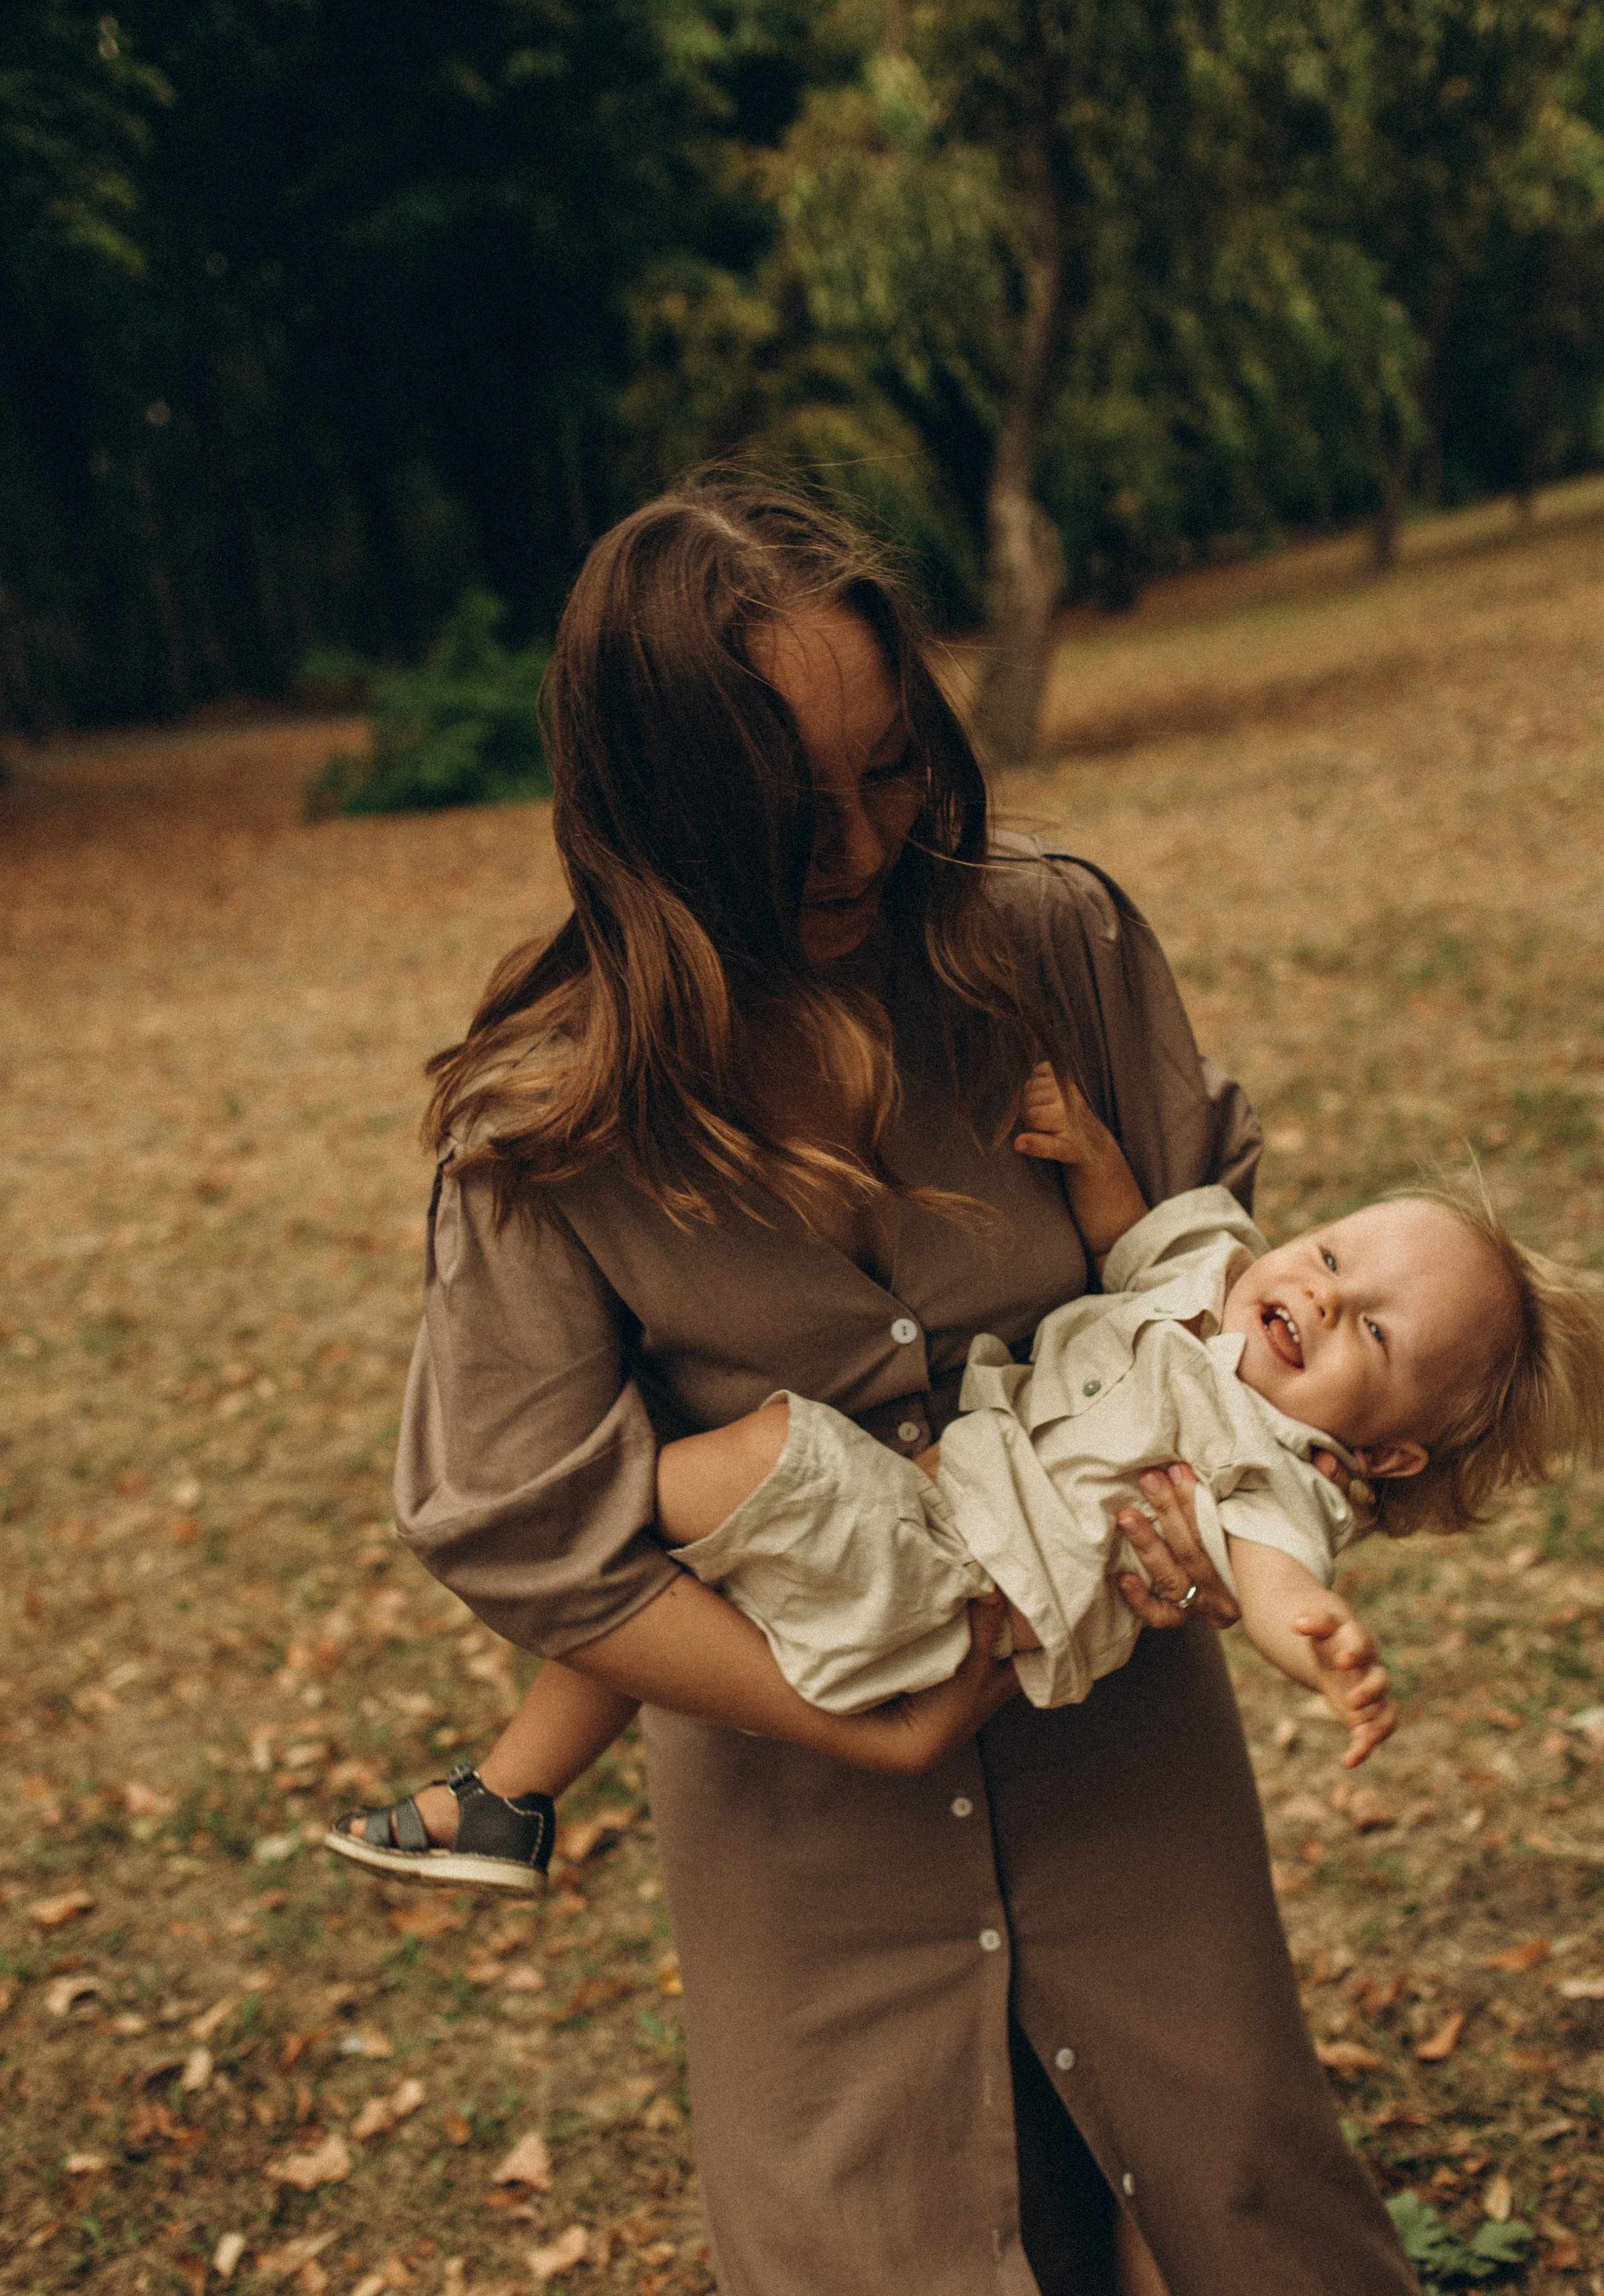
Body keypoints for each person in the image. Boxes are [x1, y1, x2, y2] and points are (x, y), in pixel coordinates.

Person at [345, 477, 1429, 2295]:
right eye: (787, 808)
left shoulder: (1057, 949)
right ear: (651, 810)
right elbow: (530, 1525)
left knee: (1246, 2205)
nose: (857, 847)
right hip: (795, 1814)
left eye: (892, 771)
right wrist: (858, 1722)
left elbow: (1212, 1290)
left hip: (1121, 1743)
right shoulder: (546, 1127)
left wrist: (1234, 1508)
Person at [330, 1071, 1603, 1864]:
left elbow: (1270, 1567)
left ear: (1377, 1449)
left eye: (1372, 1332)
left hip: (966, 1585)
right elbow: (1135, 1237)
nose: (1320, 1299)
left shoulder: (1277, 1459)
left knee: (730, 1478)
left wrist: (1310, 1634)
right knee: (679, 1576)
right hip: (934, 1513)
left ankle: (560, 1513)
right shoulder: (1219, 1284)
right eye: (1332, 1257)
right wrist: (1085, 1147)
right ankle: (507, 1797)